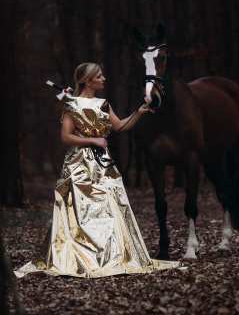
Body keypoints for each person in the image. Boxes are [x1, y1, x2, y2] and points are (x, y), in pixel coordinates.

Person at [15, 62, 179, 278]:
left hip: (103, 166)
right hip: (78, 165)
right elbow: (65, 137)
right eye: (99, 76)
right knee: (79, 212)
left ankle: (109, 256)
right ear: (87, 80)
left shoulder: (103, 104)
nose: (104, 79)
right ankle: (82, 257)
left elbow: (120, 126)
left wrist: (138, 113)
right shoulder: (71, 104)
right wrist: (93, 140)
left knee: (110, 209)